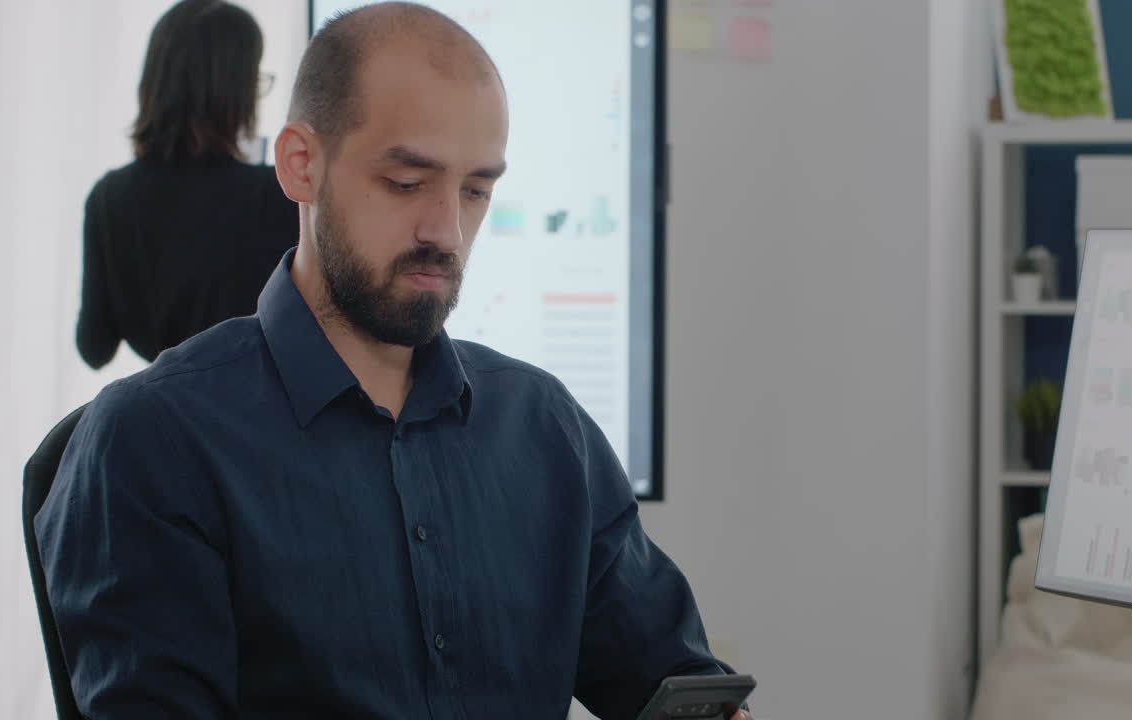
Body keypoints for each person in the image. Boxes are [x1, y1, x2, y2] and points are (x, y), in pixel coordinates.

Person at [37, 3, 751, 718]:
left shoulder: (545, 429)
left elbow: (675, 680)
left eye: (476, 190)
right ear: (300, 164)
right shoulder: (154, 443)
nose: (447, 231)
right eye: (407, 183)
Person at [75, 0, 298, 368]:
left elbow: (94, 347)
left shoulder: (108, 198)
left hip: (157, 418)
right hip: (254, 417)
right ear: (235, 93)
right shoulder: (277, 196)